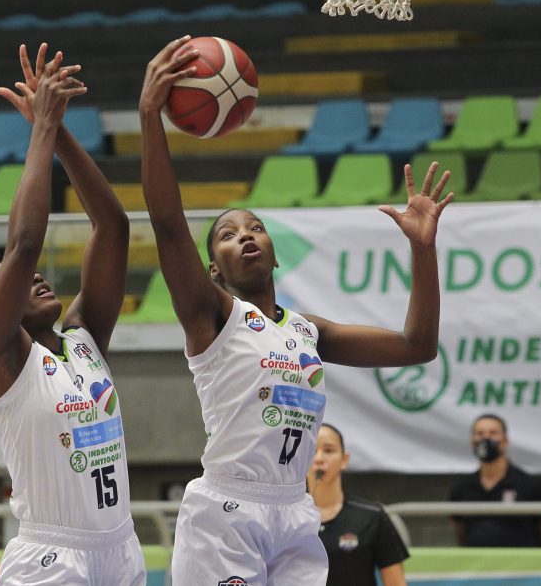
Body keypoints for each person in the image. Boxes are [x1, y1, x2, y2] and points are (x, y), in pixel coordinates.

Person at [139, 35, 453, 585]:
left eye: (255, 227)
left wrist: (423, 250)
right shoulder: (211, 317)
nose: (245, 235)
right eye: (228, 235)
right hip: (227, 513)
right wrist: (150, 118)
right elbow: (167, 225)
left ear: (275, 253)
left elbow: (417, 346)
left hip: (294, 512)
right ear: (213, 271)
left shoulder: (308, 331)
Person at [0, 43, 145, 584]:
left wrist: (60, 130)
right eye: (9, 283)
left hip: (120, 549)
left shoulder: (82, 340)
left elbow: (113, 227)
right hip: (50, 558)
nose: (34, 276)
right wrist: (40, 127)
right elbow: (23, 245)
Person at [308, 423, 409, 586]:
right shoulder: (286, 518)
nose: (319, 458)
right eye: (311, 451)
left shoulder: (372, 516)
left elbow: (396, 583)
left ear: (344, 459)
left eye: (328, 450)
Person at [449, 413, 541, 547]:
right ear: (472, 442)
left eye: (493, 433)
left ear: (506, 441)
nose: (486, 438)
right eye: (480, 433)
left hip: (522, 559)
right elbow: (460, 532)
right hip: (476, 560)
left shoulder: (532, 485)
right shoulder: (461, 488)